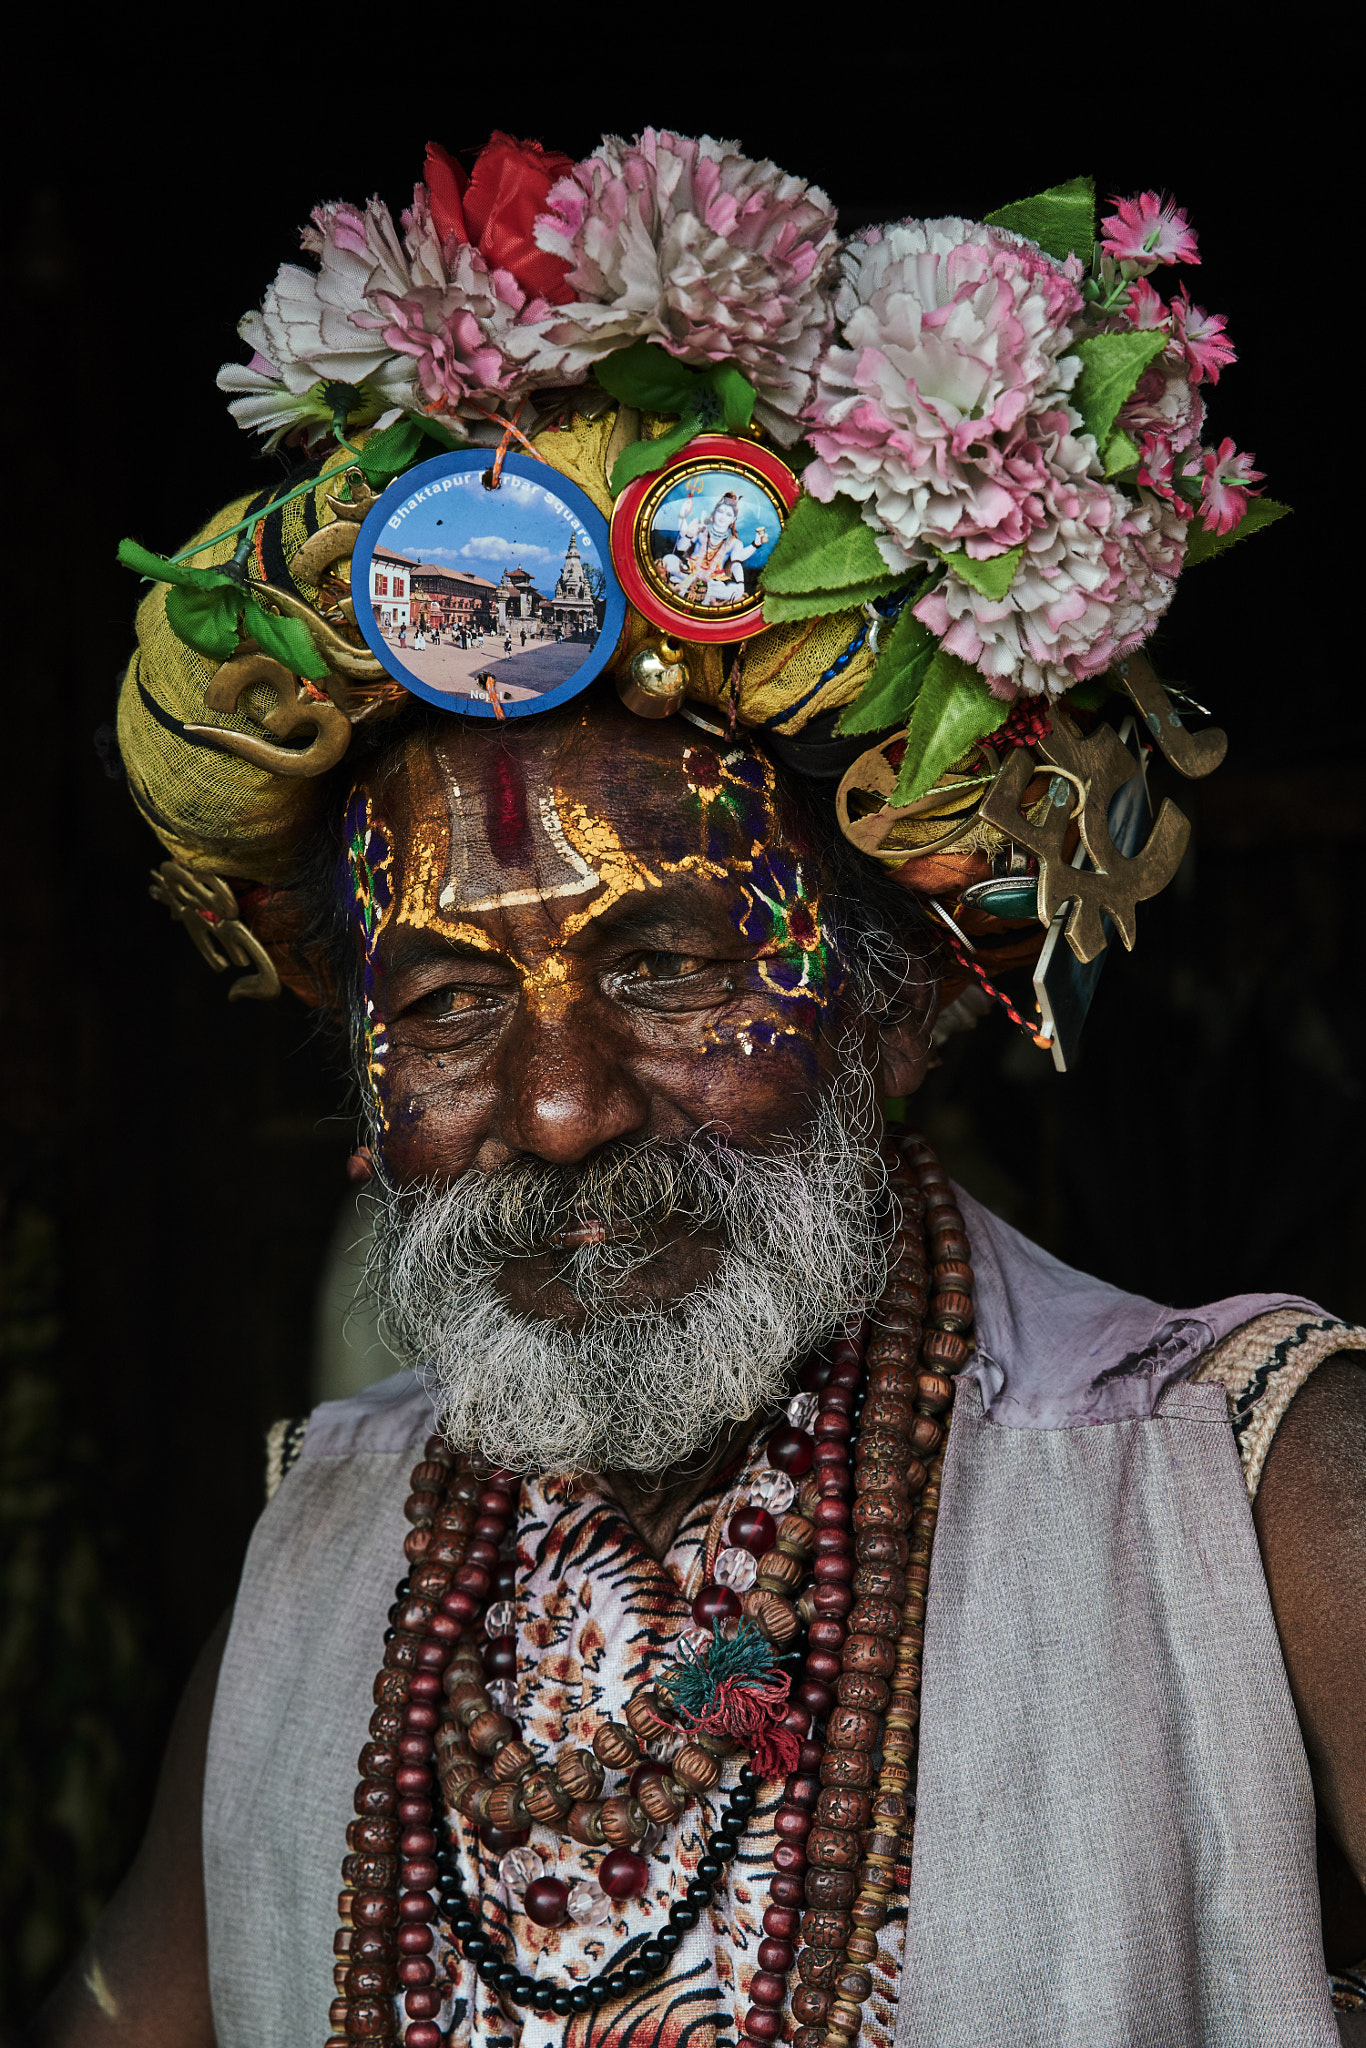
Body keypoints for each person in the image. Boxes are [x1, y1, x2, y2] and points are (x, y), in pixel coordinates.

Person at [38, 129, 1366, 2048]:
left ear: (897, 1009)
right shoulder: (323, 1544)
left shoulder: (1255, 1497)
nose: (561, 1112)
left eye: (667, 968)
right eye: (446, 1005)